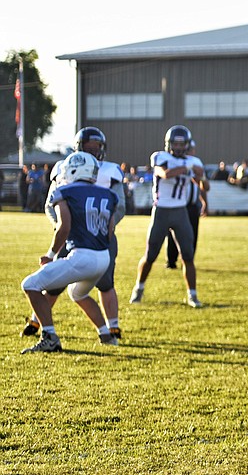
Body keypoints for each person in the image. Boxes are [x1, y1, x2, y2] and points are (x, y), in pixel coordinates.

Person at [23, 127, 127, 345]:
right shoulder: (107, 194)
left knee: (30, 284)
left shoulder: (65, 190)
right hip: (102, 256)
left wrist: (51, 254)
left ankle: (49, 337)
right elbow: (109, 228)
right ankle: (107, 336)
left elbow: (64, 226)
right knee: (77, 294)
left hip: (81, 255)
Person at [130, 125, 203, 308]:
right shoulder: (161, 157)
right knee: (150, 255)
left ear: (187, 144)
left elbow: (202, 182)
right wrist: (187, 166)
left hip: (181, 211)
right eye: (175, 144)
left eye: (181, 144)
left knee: (188, 255)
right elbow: (166, 173)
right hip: (161, 210)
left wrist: (200, 175)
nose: (178, 147)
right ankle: (138, 288)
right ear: (169, 144)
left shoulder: (193, 161)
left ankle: (192, 295)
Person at [165, 139, 206, 270]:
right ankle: (171, 261)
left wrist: (205, 202)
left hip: (193, 205)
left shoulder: (195, 164)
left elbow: (202, 186)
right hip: (179, 205)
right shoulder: (177, 163)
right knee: (173, 235)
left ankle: (188, 261)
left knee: (192, 234)